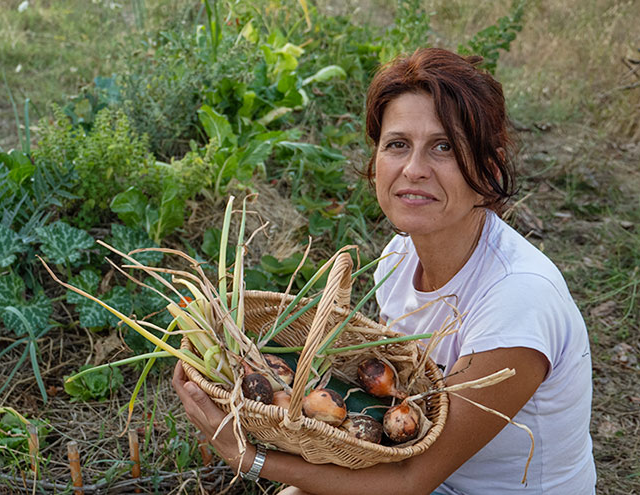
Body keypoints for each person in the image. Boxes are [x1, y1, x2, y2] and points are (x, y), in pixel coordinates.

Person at [172, 47, 596, 494]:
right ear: (375, 163)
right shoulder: (397, 260)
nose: (413, 170)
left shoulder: (517, 298)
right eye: (397, 145)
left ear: (488, 170)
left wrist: (250, 458)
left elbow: (409, 479)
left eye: (443, 147)